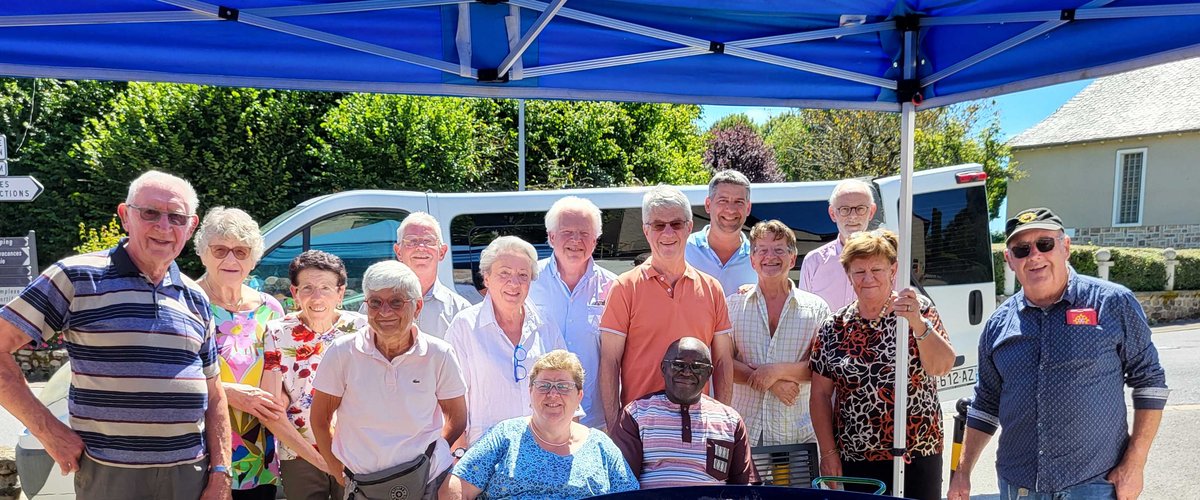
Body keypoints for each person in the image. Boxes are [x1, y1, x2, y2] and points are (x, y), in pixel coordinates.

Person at [0, 170, 232, 500]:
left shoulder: (195, 296)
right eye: (150, 213)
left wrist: (221, 470)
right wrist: (47, 430)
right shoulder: (76, 277)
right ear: (125, 216)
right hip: (109, 475)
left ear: (191, 227)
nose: (164, 227)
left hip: (189, 475)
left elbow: (215, 392)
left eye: (176, 217)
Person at [947, 208, 1169, 500]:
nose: (1034, 256)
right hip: (1020, 487)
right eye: (1022, 249)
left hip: (1094, 484)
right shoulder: (998, 324)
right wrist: (962, 473)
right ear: (1010, 260)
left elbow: (1150, 382)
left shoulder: (1113, 303)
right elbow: (986, 403)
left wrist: (1135, 463)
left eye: (1045, 244)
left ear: (1065, 247)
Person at [808, 229, 955, 500]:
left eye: (876, 269)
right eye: (859, 271)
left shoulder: (917, 310)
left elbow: (941, 366)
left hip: (917, 450)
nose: (868, 278)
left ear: (893, 269)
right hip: (857, 454)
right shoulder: (835, 326)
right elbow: (819, 394)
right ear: (848, 275)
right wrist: (828, 452)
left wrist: (918, 325)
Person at [310, 260, 468, 499]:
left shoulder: (439, 354)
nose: (385, 312)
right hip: (362, 486)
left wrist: (430, 458)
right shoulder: (342, 352)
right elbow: (320, 419)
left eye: (396, 302)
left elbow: (457, 417)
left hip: (426, 483)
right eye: (375, 302)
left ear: (417, 307)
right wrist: (336, 469)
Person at [599, 185, 735, 432]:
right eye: (659, 225)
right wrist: (615, 427)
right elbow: (609, 362)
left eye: (676, 223)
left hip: (697, 425)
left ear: (689, 227)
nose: (668, 232)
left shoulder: (712, 289)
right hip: (639, 426)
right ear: (646, 230)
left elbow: (723, 361)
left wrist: (722, 421)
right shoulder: (624, 287)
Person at [441, 350, 640, 499]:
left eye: (563, 386)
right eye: (544, 385)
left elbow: (630, 495)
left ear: (579, 396)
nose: (553, 394)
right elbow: (454, 487)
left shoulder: (600, 446)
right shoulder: (505, 436)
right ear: (530, 391)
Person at [193, 207, 288, 499]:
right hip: (204, 451)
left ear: (254, 257)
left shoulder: (270, 309)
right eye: (220, 250)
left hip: (260, 450)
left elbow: (284, 370)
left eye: (241, 251)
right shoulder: (188, 301)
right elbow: (171, 376)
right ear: (202, 252)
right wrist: (230, 393)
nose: (231, 260)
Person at [445, 236, 568, 451]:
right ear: (486, 278)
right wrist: (459, 453)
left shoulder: (545, 323)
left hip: (544, 449)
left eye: (523, 275)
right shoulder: (464, 327)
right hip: (486, 454)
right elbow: (452, 400)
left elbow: (567, 386)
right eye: (504, 273)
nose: (514, 283)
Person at [263, 250, 364, 500]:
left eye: (326, 288)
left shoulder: (362, 329)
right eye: (307, 288)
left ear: (340, 293)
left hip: (356, 451)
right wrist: (318, 459)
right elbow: (271, 407)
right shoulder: (277, 333)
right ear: (295, 293)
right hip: (300, 453)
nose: (316, 297)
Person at [727, 220, 829, 453]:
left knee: (794, 490)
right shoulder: (732, 305)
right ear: (752, 260)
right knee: (746, 491)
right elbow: (722, 362)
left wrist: (776, 372)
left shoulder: (817, 309)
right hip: (745, 430)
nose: (770, 256)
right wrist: (769, 381)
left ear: (792, 259)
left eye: (779, 250)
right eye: (762, 250)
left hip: (795, 430)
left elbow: (823, 368)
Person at [611, 337, 757, 488]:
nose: (687, 373)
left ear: (709, 373)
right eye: (678, 365)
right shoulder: (636, 414)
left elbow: (745, 487)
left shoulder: (731, 421)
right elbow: (623, 483)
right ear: (663, 368)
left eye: (697, 367)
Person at [528, 196, 617, 430]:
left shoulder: (614, 288)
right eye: (567, 231)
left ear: (596, 241)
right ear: (551, 237)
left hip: (593, 419)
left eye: (585, 233)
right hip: (534, 418)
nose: (576, 240)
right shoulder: (528, 282)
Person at [358, 212, 471, 339]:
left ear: (442, 252)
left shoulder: (460, 310)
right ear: (398, 252)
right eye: (412, 241)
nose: (420, 247)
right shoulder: (375, 305)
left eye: (428, 241)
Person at [799, 179, 878, 311]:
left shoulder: (886, 262)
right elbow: (804, 314)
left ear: (871, 212)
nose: (853, 216)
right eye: (845, 209)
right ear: (832, 213)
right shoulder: (814, 262)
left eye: (860, 209)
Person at [685, 169, 757, 293]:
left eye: (739, 202)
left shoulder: (760, 257)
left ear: (748, 208)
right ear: (708, 205)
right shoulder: (684, 250)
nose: (730, 209)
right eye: (723, 201)